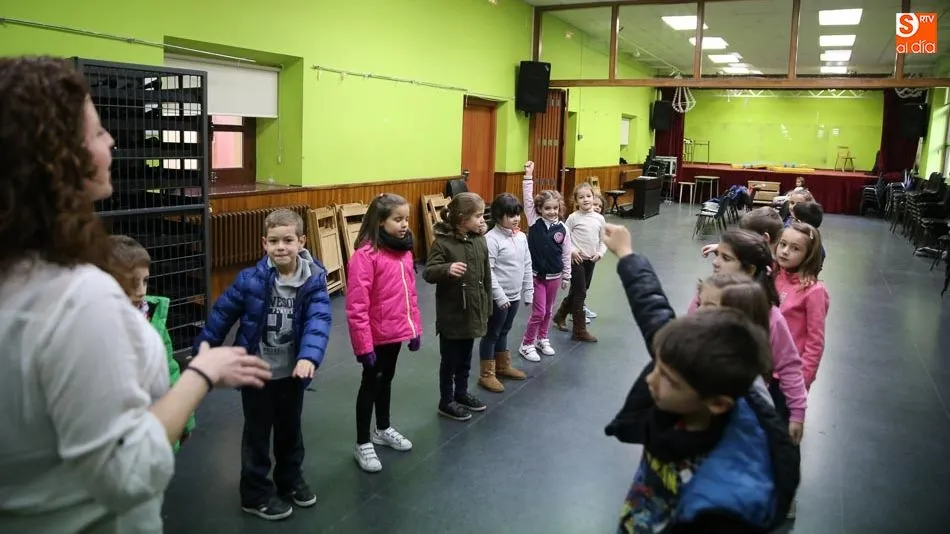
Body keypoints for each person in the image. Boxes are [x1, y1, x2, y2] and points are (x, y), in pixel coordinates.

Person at [0, 56, 269, 534]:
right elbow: (127, 473)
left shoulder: (20, 272)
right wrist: (201, 374)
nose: (112, 141)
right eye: (98, 131)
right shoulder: (77, 300)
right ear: (58, 157)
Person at [600, 223, 799, 533]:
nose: (651, 382)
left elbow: (791, 366)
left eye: (668, 379)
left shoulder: (723, 504)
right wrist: (626, 254)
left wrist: (797, 412)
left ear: (718, 403)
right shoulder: (697, 364)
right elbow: (653, 311)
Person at [193, 208, 332, 521]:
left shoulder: (313, 280)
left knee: (290, 431)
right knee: (257, 435)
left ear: (302, 241)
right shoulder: (250, 279)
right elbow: (222, 314)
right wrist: (203, 350)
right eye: (274, 241)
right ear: (264, 243)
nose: (281, 247)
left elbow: (319, 320)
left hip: (291, 375)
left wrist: (308, 356)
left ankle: (290, 480)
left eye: (288, 240)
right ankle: (254, 493)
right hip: (256, 373)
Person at [345, 193, 422, 473]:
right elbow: (356, 306)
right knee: (370, 383)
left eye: (406, 219)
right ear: (380, 222)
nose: (404, 224)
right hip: (374, 336)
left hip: (395, 332)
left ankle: (383, 428)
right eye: (397, 219)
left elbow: (410, 294)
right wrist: (363, 346)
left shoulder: (404, 252)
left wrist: (414, 328)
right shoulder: (365, 256)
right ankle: (362, 442)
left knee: (386, 378)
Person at [109, 234, 197, 452]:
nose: (141, 291)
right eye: (131, 283)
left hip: (159, 425)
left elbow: (170, 369)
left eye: (145, 281)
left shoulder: (153, 319)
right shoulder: (98, 329)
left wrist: (184, 418)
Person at [423, 192, 491, 421]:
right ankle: (446, 400)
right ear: (462, 219)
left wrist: (487, 306)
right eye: (478, 216)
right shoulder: (443, 243)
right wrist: (447, 269)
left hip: (473, 311)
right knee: (450, 361)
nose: (482, 220)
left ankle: (461, 393)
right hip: (452, 315)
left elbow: (487, 276)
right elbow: (428, 272)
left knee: (465, 357)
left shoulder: (479, 240)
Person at [479, 192, 532, 393]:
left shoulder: (521, 237)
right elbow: (488, 272)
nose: (516, 218)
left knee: (505, 330)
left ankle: (502, 366)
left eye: (517, 214)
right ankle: (487, 374)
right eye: (510, 215)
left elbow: (527, 264)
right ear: (498, 216)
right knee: (492, 333)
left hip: (514, 295)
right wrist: (499, 296)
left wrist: (528, 290)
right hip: (498, 298)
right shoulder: (491, 239)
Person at [520, 161, 572, 361]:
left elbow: (566, 253)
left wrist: (566, 276)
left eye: (555, 208)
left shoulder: (563, 229)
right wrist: (528, 176)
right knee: (539, 312)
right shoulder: (534, 221)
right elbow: (527, 198)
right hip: (536, 276)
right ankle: (527, 343)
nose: (552, 211)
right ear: (539, 209)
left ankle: (542, 338)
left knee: (548, 311)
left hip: (555, 277)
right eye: (547, 208)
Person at [774, 222, 830, 390]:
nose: (785, 251)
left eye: (795, 248)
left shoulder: (814, 291)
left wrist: (802, 381)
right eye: (783, 244)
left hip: (788, 378)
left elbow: (815, 342)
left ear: (808, 255)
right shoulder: (774, 274)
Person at [552, 182, 604, 342]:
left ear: (593, 197)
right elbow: (564, 237)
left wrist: (600, 253)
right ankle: (579, 331)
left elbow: (603, 240)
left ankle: (560, 315)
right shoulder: (573, 218)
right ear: (576, 201)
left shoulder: (599, 218)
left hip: (590, 260)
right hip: (576, 260)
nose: (585, 199)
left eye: (588, 196)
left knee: (579, 290)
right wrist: (572, 251)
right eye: (581, 197)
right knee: (580, 293)